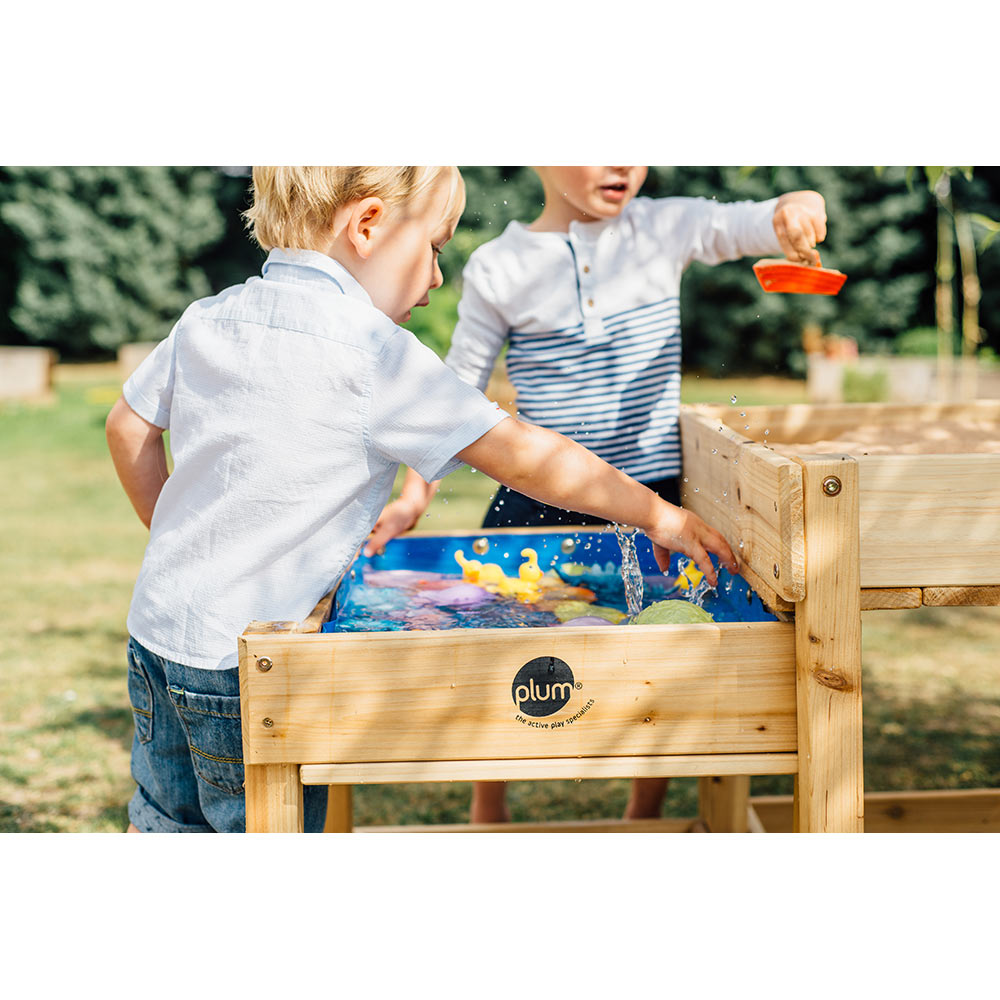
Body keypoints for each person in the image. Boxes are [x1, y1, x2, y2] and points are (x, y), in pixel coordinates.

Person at [105, 165, 740, 833]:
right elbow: (525, 456)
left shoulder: (213, 314)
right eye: (435, 249)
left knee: (165, 824)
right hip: (250, 665)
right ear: (368, 225)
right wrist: (657, 513)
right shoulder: (376, 354)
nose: (438, 279)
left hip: (157, 630)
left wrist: (171, 534)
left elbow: (128, 428)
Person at [366, 165, 828, 824]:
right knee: (511, 659)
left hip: (653, 501)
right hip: (534, 508)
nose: (621, 164)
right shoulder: (503, 265)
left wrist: (791, 208)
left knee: (656, 661)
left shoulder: (664, 227)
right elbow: (457, 394)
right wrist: (413, 499)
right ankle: (488, 810)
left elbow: (741, 223)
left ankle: (645, 818)